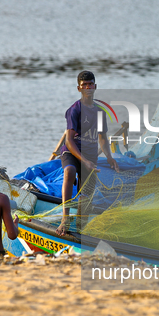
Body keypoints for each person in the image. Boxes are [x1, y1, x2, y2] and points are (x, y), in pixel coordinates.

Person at [55, 71, 119, 236]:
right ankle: (65, 218)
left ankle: (80, 228)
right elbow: (68, 140)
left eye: (90, 84)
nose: (88, 87)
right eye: (84, 85)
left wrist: (110, 158)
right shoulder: (74, 110)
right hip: (72, 151)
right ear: (79, 88)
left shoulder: (100, 112)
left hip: (90, 156)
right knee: (70, 171)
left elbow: (103, 138)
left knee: (86, 197)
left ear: (95, 86)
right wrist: (84, 161)